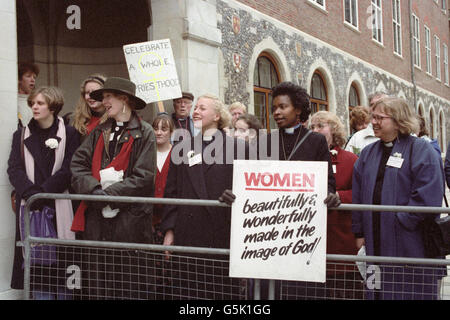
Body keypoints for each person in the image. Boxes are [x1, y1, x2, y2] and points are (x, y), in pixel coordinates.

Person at [70, 77, 157, 299]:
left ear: (124, 99)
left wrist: (108, 195)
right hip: (98, 221)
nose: (103, 102)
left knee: (129, 285)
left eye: (108, 96)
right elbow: (77, 165)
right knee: (100, 284)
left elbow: (144, 177)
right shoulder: (99, 132)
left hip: (131, 222)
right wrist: (94, 190)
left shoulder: (145, 133)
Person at [352, 97, 445, 300]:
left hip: (409, 242)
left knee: (407, 290)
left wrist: (400, 220)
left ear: (398, 121)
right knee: (375, 288)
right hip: (374, 239)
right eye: (372, 117)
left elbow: (428, 194)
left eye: (379, 118)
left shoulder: (421, 150)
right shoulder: (368, 153)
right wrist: (359, 230)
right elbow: (357, 194)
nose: (373, 122)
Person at [160, 93, 248, 299]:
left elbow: (247, 191)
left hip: (222, 234)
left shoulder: (238, 148)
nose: (196, 111)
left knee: (221, 293)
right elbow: (171, 192)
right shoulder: (181, 148)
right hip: (188, 235)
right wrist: (169, 230)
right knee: (188, 293)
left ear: (217, 116)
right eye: (196, 108)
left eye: (202, 108)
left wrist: (236, 196)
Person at [7, 86, 80, 299]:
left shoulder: (69, 133)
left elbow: (70, 168)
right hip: (31, 207)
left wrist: (44, 192)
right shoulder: (20, 135)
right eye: (33, 103)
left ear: (53, 106)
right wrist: (31, 194)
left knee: (63, 266)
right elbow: (14, 168)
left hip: (59, 207)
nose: (34, 107)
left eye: (40, 103)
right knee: (38, 269)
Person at [309, 111, 362, 299]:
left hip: (340, 237)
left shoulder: (351, 160)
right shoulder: (305, 159)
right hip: (310, 240)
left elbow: (361, 194)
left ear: (333, 129)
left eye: (320, 126)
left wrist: (339, 195)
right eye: (312, 127)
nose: (315, 130)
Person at [152, 113, 174, 244]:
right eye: (156, 128)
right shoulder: (146, 153)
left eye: (164, 129)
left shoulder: (177, 154)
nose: (159, 132)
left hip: (169, 214)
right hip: (150, 215)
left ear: (171, 132)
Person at [71, 74, 107, 140]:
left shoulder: (114, 119)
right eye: (87, 92)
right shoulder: (74, 119)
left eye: (95, 92)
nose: (90, 96)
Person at [17, 62, 40, 128]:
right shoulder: (13, 100)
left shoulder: (37, 101)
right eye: (28, 76)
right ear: (19, 80)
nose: (32, 80)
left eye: (34, 77)